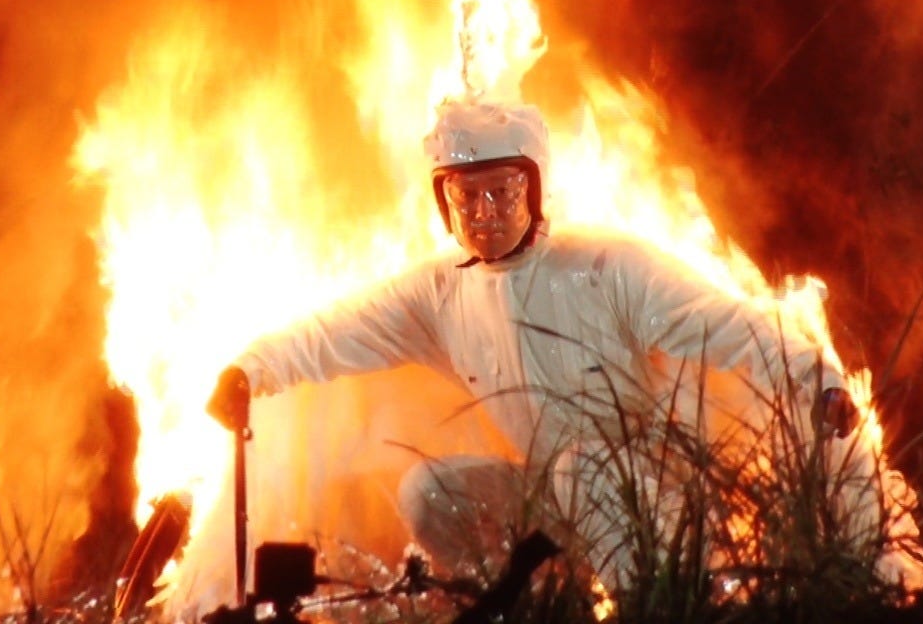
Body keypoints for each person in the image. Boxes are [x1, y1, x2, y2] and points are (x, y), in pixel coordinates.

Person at [208, 98, 859, 589]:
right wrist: (250, 369)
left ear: (536, 187)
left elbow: (730, 325)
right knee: (431, 489)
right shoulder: (440, 294)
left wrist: (820, 379)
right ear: (443, 199)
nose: (484, 212)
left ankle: (656, 606)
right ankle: (530, 607)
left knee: (585, 470)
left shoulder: (608, 267)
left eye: (502, 191)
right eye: (466, 196)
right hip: (555, 494)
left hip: (666, 498)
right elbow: (336, 332)